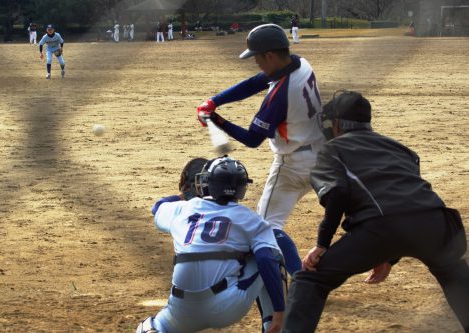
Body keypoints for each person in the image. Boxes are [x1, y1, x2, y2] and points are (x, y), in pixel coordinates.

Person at [282, 91, 469, 333]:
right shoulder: (400, 148)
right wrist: (388, 255)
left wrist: (322, 244)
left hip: (382, 226)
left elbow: (337, 193)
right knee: (453, 272)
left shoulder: (333, 150)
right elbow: (407, 198)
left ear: (336, 124)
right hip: (436, 222)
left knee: (311, 279)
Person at [196, 24, 325, 276]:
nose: (255, 62)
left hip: (292, 166)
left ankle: (300, 282)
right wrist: (215, 101)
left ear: (270, 56)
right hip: (323, 156)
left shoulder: (280, 95)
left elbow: (252, 139)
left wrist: (216, 120)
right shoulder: (300, 64)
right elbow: (257, 82)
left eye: (257, 57)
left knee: (264, 226)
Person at [136, 156, 285, 333]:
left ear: (206, 183)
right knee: (269, 252)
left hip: (181, 310)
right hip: (227, 307)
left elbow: (158, 207)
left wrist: (183, 196)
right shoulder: (252, 220)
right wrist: (279, 310)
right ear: (242, 188)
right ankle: (274, 326)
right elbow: (267, 259)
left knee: (149, 326)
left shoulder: (183, 209)